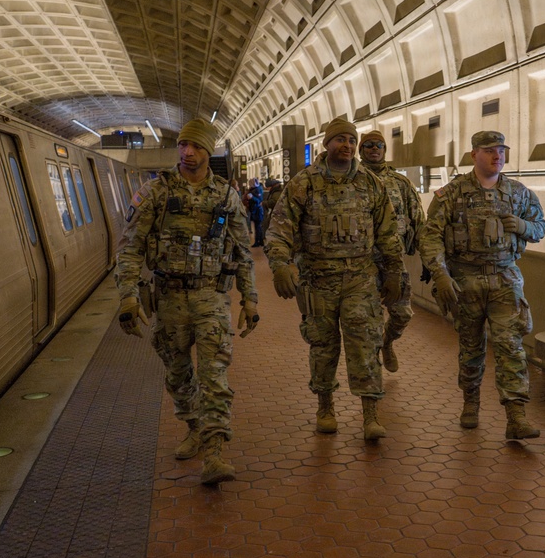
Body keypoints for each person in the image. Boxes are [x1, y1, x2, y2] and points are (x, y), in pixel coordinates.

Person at [115, 118, 259, 485]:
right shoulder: (156, 193)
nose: (187, 152)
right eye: (182, 145)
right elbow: (130, 247)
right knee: (178, 375)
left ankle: (214, 452)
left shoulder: (225, 196)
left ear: (208, 151)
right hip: (169, 299)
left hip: (212, 296)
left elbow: (243, 252)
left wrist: (250, 299)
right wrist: (128, 296)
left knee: (215, 374)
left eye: (195, 146)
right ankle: (194, 426)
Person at [265, 117, 404, 440]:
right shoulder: (304, 183)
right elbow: (280, 228)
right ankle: (325, 407)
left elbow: (387, 232)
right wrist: (280, 265)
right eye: (340, 139)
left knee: (365, 344)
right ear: (326, 144)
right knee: (323, 346)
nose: (348, 146)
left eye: (352, 140)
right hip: (318, 280)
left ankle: (370, 414)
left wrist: (394, 271)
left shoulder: (370, 183)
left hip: (360, 279)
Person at [419, 130, 545, 440]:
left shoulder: (519, 193)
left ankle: (516, 416)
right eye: (490, 150)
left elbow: (540, 227)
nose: (497, 156)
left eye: (501, 150)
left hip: (505, 280)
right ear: (474, 154)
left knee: (511, 347)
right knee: (471, 347)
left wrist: (524, 226)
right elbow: (430, 236)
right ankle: (470, 402)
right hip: (466, 281)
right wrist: (440, 274)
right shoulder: (452, 193)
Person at [358, 129, 425, 372]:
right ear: (361, 151)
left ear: (385, 150)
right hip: (363, 263)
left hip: (394, 261)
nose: (374, 149)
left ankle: (387, 343)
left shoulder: (401, 183)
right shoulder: (354, 180)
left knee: (402, 313)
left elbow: (419, 221)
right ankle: (372, 366)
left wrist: (429, 260)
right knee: (369, 318)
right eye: (369, 145)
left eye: (379, 145)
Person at [244, 178, 265, 247]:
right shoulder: (254, 189)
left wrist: (252, 197)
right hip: (255, 210)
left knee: (257, 226)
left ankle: (257, 242)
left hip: (257, 210)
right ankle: (260, 241)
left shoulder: (258, 190)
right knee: (258, 226)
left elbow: (259, 201)